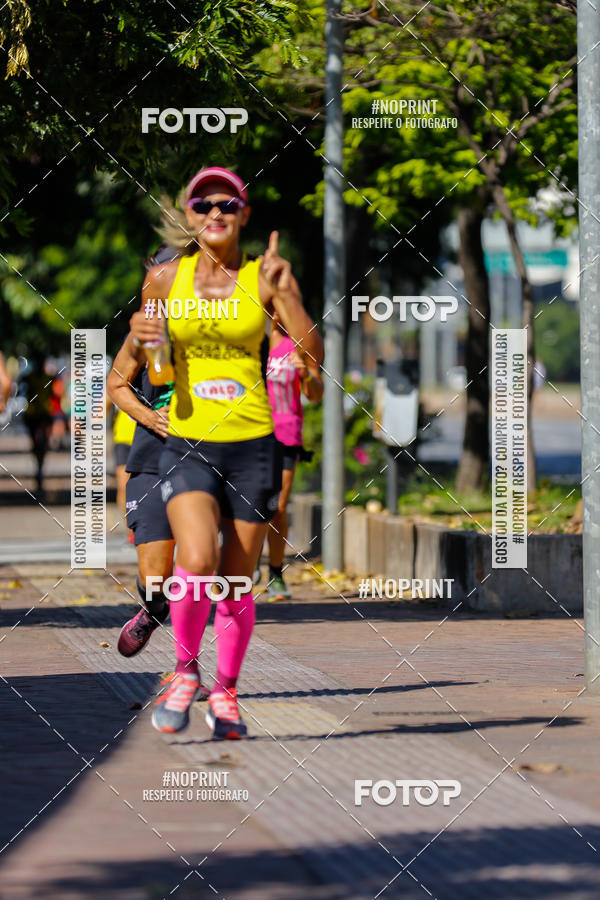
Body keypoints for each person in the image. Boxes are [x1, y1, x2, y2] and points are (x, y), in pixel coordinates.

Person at [130, 166, 323, 739]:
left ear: (244, 214)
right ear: (190, 217)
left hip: (254, 444)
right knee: (197, 560)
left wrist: (288, 293)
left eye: (228, 204)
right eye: (203, 204)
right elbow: (150, 361)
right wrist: (146, 340)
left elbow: (311, 354)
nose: (216, 212)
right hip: (189, 441)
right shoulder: (165, 280)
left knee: (237, 582)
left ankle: (227, 694)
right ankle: (186, 670)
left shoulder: (267, 278)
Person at [260, 311, 323, 600]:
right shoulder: (250, 341)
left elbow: (316, 393)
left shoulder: (298, 343)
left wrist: (304, 374)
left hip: (286, 433)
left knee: (277, 506)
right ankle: (240, 565)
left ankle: (275, 572)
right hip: (248, 434)